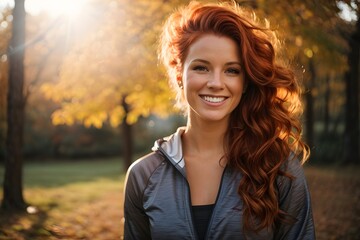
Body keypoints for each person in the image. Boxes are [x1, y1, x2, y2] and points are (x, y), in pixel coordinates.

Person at [123, 1, 315, 239]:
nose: (216, 83)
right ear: (179, 75)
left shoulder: (277, 166)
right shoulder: (142, 176)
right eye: (202, 68)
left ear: (245, 83)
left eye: (232, 70)